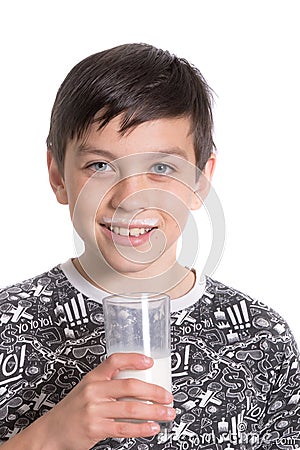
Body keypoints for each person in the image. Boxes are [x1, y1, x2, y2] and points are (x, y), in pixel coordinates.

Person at [0, 43, 299, 450]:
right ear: (57, 175)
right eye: (100, 166)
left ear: (200, 180)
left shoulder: (261, 337)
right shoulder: (9, 324)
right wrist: (52, 436)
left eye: (162, 168)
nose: (131, 197)